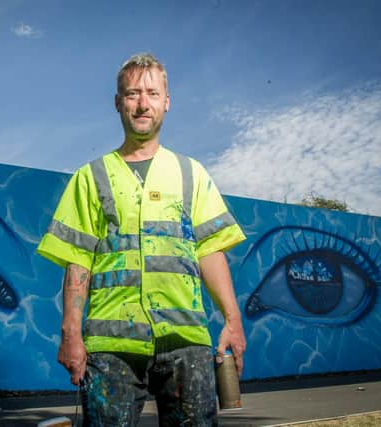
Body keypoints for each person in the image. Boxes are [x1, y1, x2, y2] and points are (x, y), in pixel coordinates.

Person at [37, 52, 247, 426]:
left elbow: (210, 251)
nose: (143, 103)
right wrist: (71, 332)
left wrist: (233, 320)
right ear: (118, 103)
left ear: (167, 101)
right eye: (132, 94)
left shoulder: (191, 174)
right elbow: (77, 260)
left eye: (152, 93)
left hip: (186, 339)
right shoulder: (91, 176)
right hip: (110, 346)